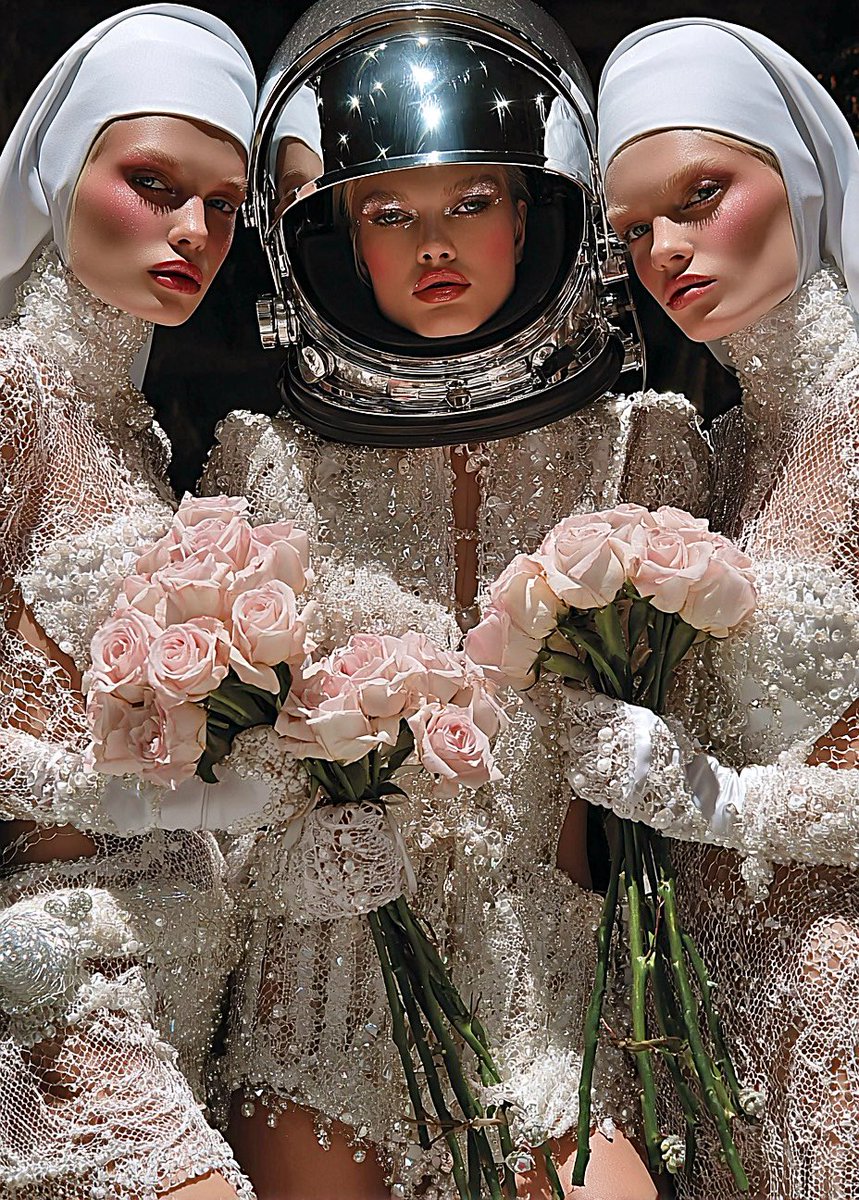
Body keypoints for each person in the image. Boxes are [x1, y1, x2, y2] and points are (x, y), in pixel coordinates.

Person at [201, 2, 711, 1197]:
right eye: (389, 214)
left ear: (529, 213)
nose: (433, 242)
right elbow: (220, 774)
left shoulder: (643, 447)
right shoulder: (260, 461)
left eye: (471, 202)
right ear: (339, 238)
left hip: (546, 993)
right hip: (320, 988)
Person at [567, 18, 859, 1198]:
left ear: (797, 174)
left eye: (699, 196)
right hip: (709, 1018)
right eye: (634, 230)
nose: (667, 250)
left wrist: (718, 799)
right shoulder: (714, 458)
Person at [0, 7, 257, 1198]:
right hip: (63, 967)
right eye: (153, 184)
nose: (194, 230)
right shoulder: (14, 394)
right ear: (63, 174)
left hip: (182, 966)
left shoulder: (137, 438)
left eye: (225, 205)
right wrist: (110, 791)